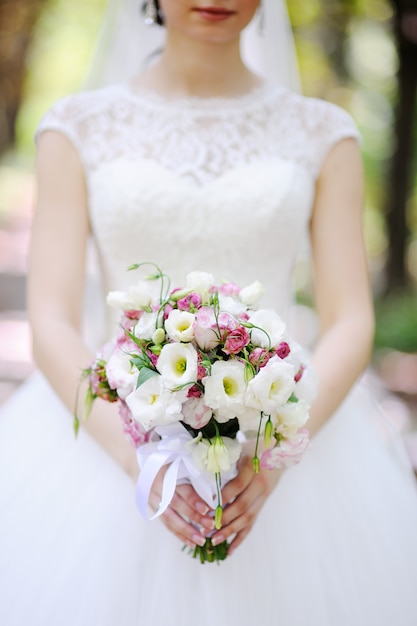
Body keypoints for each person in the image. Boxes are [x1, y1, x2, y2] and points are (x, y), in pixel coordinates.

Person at [1, 1, 417, 624]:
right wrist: (139, 458)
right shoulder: (76, 127)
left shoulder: (322, 132)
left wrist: (274, 462)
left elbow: (351, 319)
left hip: (283, 426)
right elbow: (52, 324)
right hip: (112, 433)